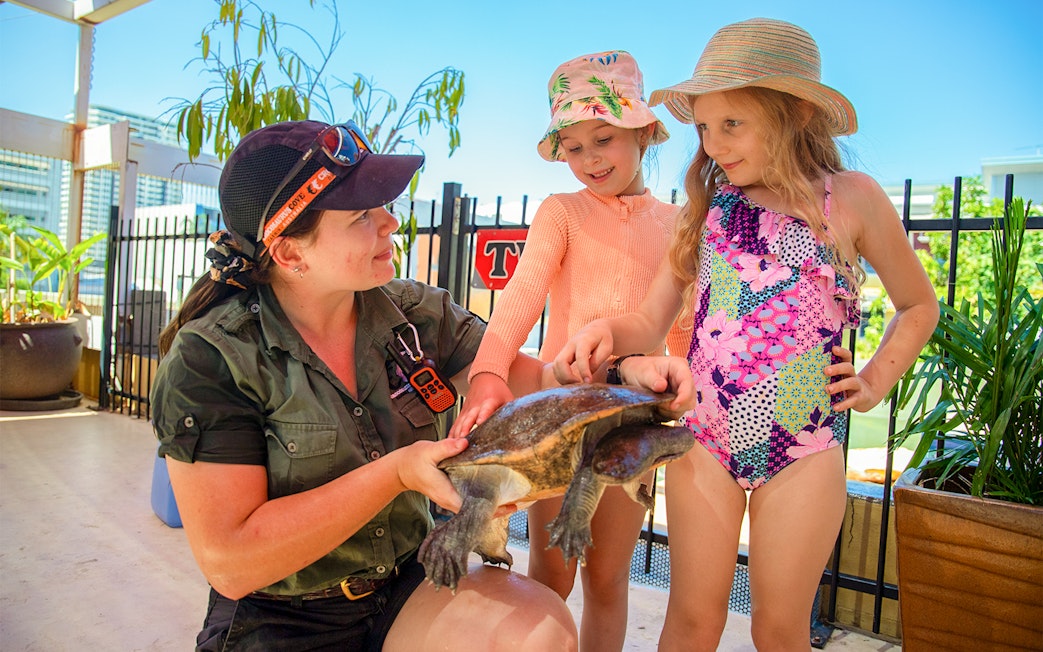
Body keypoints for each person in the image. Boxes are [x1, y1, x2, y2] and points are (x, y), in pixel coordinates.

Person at [150, 119, 694, 652]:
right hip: (283, 616)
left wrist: (622, 376)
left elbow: (536, 381)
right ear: (291, 253)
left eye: (383, 207)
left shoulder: (413, 313)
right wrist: (396, 475)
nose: (390, 223)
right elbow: (232, 563)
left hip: (409, 584)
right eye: (362, 215)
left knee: (541, 633)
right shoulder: (212, 357)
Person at [553, 19, 940, 652]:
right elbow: (649, 321)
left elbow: (918, 305)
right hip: (708, 440)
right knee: (692, 624)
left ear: (793, 116)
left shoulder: (852, 200)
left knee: (778, 631)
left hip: (807, 447)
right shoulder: (708, 209)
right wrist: (604, 329)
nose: (713, 144)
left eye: (732, 124)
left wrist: (872, 382)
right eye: (704, 127)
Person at [448, 50, 690, 652]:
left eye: (603, 138)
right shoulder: (563, 213)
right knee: (552, 572)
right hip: (557, 422)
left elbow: (680, 330)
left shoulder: (681, 224)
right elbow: (518, 300)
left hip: (630, 422)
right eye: (573, 146)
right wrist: (486, 375)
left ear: (645, 130)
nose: (588, 160)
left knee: (609, 576)